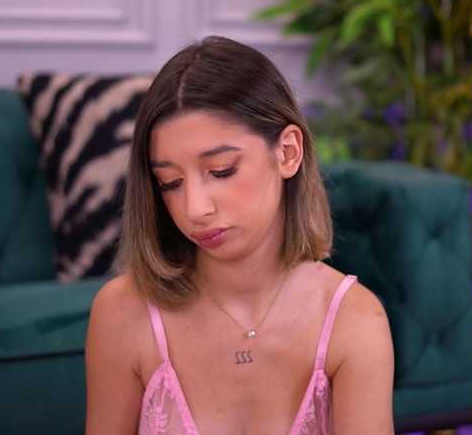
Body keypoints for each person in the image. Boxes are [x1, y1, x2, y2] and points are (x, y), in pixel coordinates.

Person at [84, 35, 394, 434]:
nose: (195, 209)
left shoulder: (354, 321)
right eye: (170, 183)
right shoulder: (123, 313)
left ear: (288, 152)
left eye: (222, 171)